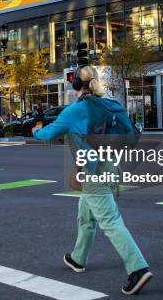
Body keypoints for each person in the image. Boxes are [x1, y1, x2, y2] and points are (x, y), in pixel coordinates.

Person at [31, 66, 152, 296]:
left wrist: (36, 130)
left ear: (76, 86)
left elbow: (48, 134)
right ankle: (78, 258)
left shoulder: (75, 111)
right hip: (112, 166)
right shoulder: (111, 104)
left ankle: (138, 268)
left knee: (110, 221)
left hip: (93, 172)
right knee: (85, 215)